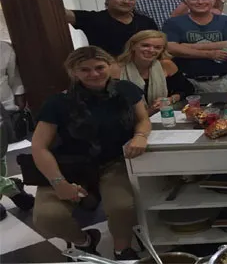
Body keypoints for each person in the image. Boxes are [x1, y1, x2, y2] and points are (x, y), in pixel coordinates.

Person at [32, 46, 150, 260]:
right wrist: (58, 182)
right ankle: (84, 242)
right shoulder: (57, 103)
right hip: (69, 166)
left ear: (110, 66)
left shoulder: (127, 90)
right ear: (73, 72)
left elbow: (143, 119)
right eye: (85, 70)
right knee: (47, 216)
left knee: (122, 206)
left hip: (113, 162)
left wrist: (140, 136)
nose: (94, 74)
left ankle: (122, 248)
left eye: (99, 67)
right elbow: (39, 146)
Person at [162, 0, 227, 93]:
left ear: (212, 1)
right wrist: (211, 54)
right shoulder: (173, 22)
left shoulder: (225, 20)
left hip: (221, 81)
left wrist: (188, 46)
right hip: (186, 81)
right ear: (186, 2)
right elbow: (171, 48)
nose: (200, 2)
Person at [113, 30, 195, 114]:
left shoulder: (166, 65)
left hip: (162, 116)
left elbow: (187, 89)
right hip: (127, 120)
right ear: (133, 46)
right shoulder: (115, 69)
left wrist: (170, 99)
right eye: (145, 45)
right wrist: (147, 112)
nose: (151, 50)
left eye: (157, 47)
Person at [65, 0, 158, 56]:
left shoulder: (146, 22)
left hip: (143, 71)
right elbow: (59, 13)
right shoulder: (92, 19)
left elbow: (158, 45)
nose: (126, 1)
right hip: (108, 73)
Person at [0, 41, 34, 221]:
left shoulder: (4, 48)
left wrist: (20, 97)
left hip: (4, 110)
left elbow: (14, 78)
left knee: (0, 156)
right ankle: (13, 190)